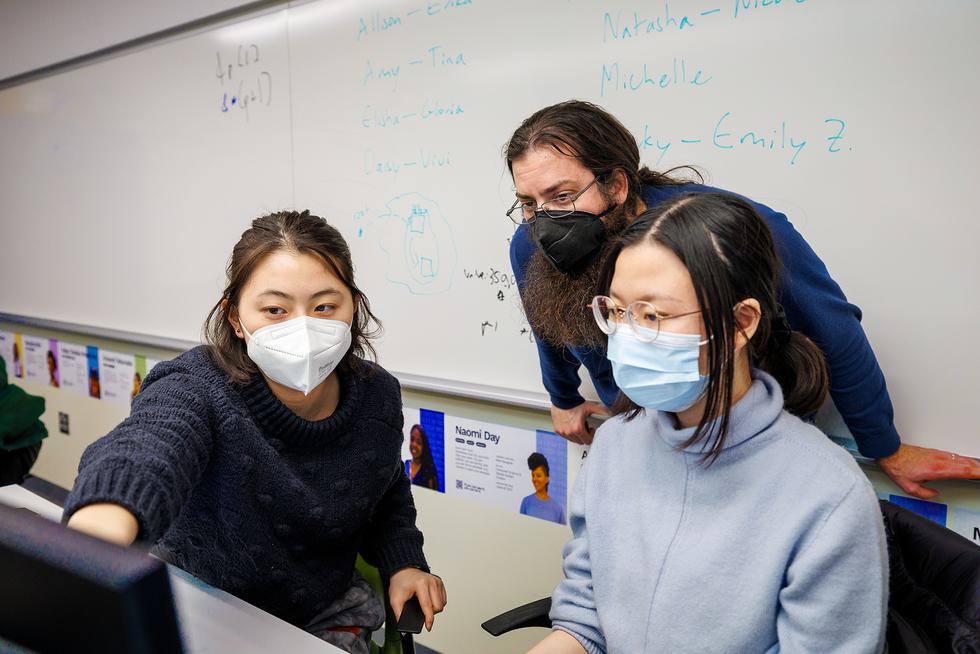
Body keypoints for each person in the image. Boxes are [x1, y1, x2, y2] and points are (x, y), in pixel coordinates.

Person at [506, 99, 980, 499]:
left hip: (749, 448)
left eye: (562, 195)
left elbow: (833, 329)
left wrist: (884, 445)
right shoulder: (531, 246)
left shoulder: (735, 229)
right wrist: (563, 397)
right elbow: (550, 322)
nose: (545, 219)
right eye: (529, 203)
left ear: (617, 183)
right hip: (645, 443)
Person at [63, 211, 447, 654]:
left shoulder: (377, 394)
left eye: (325, 306)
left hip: (326, 613)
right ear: (236, 318)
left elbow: (383, 489)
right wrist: (90, 541)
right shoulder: (198, 385)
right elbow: (147, 447)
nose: (301, 326)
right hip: (205, 605)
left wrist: (404, 563)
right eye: (274, 310)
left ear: (353, 307)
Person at [530, 193, 888, 654]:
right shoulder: (616, 445)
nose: (626, 334)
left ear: (740, 323)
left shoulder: (827, 496)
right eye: (617, 311)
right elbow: (585, 617)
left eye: (653, 315)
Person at [519, 452, 565, 525]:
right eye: (533, 475)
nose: (535, 479)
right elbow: (520, 528)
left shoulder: (557, 508)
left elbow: (563, 534)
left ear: (547, 479)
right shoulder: (526, 502)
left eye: (539, 476)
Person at [405, 424, 439, 490]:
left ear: (424, 446)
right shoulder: (405, 464)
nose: (414, 444)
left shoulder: (428, 472)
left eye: (419, 442)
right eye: (412, 439)